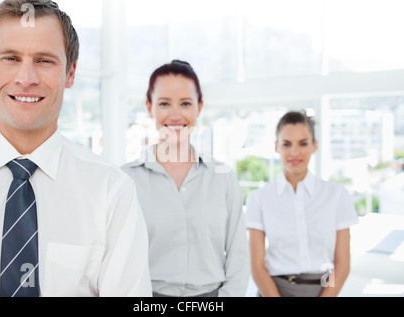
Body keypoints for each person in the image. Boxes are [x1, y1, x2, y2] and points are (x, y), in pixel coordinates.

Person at [0, 0, 151, 297]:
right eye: (10, 58)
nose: (26, 78)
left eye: (45, 60)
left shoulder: (112, 191)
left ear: (70, 73)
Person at [121, 60, 250, 297]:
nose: (175, 114)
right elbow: (118, 260)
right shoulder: (126, 180)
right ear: (149, 107)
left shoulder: (223, 178)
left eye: (185, 104)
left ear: (199, 107)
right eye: (164, 104)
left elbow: (239, 258)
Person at [245, 110, 358, 297]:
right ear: (276, 147)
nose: (294, 152)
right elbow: (257, 267)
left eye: (303, 143)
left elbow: (343, 265)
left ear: (314, 146)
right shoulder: (259, 199)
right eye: (286, 144)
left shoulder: (337, 196)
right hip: (273, 292)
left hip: (323, 291)